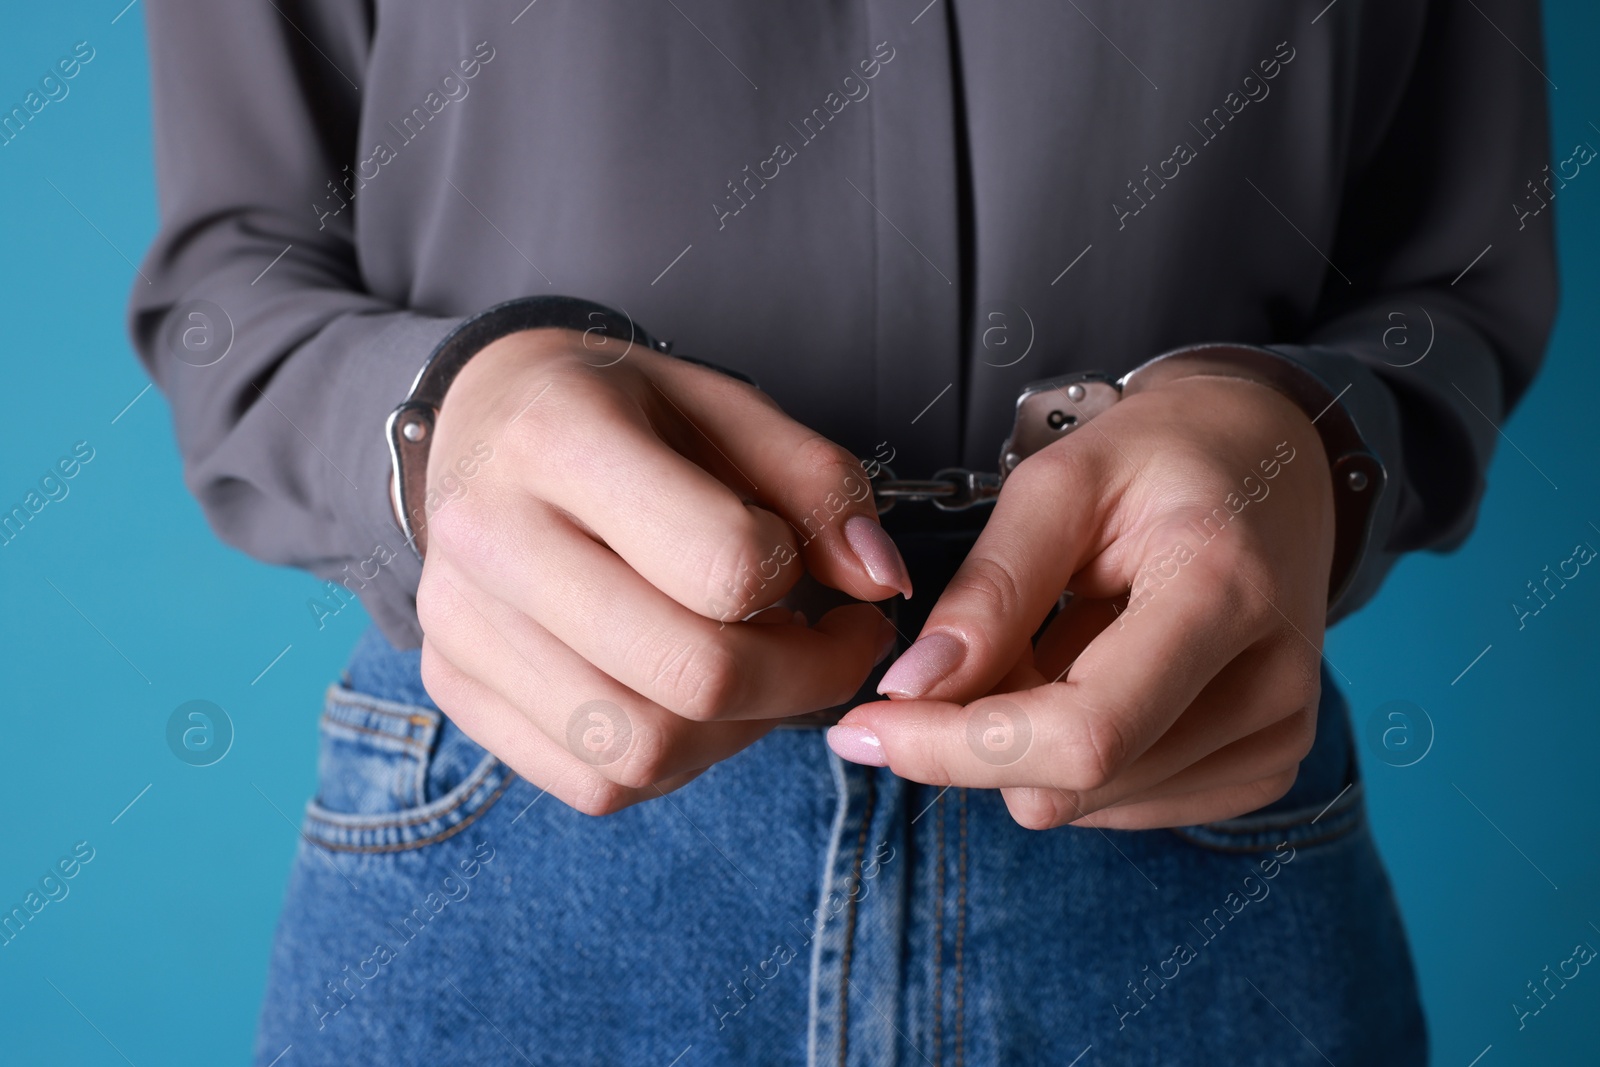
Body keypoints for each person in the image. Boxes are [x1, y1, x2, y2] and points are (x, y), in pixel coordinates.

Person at [130, 2, 1554, 1064]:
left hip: (1180, 804)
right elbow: (231, 275)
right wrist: (442, 423)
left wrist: (1303, 443)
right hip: (524, 828)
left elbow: (1457, 278)